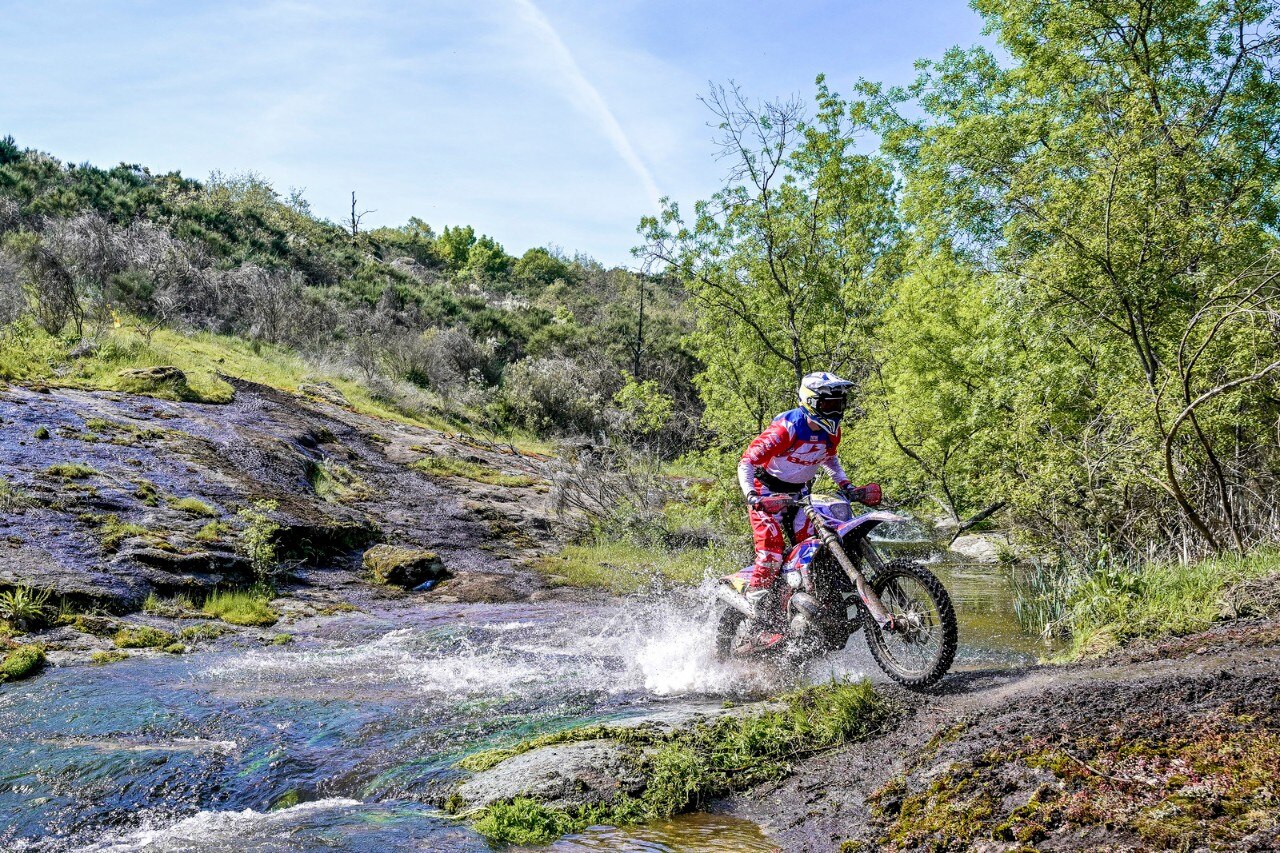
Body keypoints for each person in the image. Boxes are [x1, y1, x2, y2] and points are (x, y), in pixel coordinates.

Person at [733, 371, 881, 646]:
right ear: (811, 402)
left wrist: (847, 485)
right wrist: (753, 496)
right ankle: (758, 622)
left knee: (818, 544)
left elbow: (830, 459)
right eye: (829, 405)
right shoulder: (787, 428)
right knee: (771, 553)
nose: (835, 410)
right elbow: (746, 462)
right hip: (766, 492)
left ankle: (810, 600)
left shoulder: (831, 431)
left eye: (839, 404)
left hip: (801, 494)